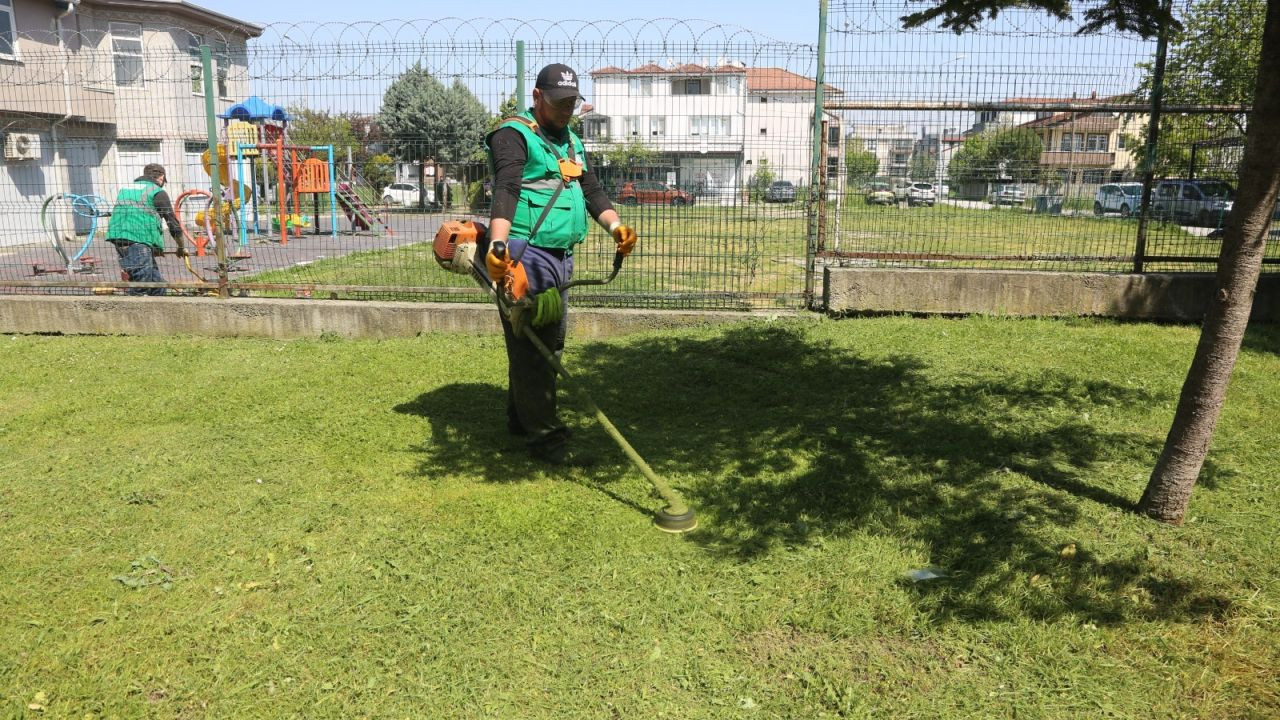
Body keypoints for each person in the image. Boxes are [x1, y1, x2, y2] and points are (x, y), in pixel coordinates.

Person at [484, 63, 638, 466]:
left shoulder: (570, 139)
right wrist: (498, 246)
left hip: (561, 254)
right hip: (523, 252)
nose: (566, 109)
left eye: (572, 102)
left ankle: (521, 419)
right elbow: (507, 188)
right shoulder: (513, 135)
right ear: (537, 98)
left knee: (548, 341)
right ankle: (547, 438)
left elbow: (590, 188)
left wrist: (616, 227)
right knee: (536, 345)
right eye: (558, 103)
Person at [106, 163, 186, 295]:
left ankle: (159, 312)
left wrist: (153, 247)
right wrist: (181, 247)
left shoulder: (125, 189)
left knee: (157, 286)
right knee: (141, 285)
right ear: (161, 177)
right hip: (138, 241)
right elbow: (173, 224)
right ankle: (131, 314)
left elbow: (135, 214)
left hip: (119, 238)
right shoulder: (157, 191)